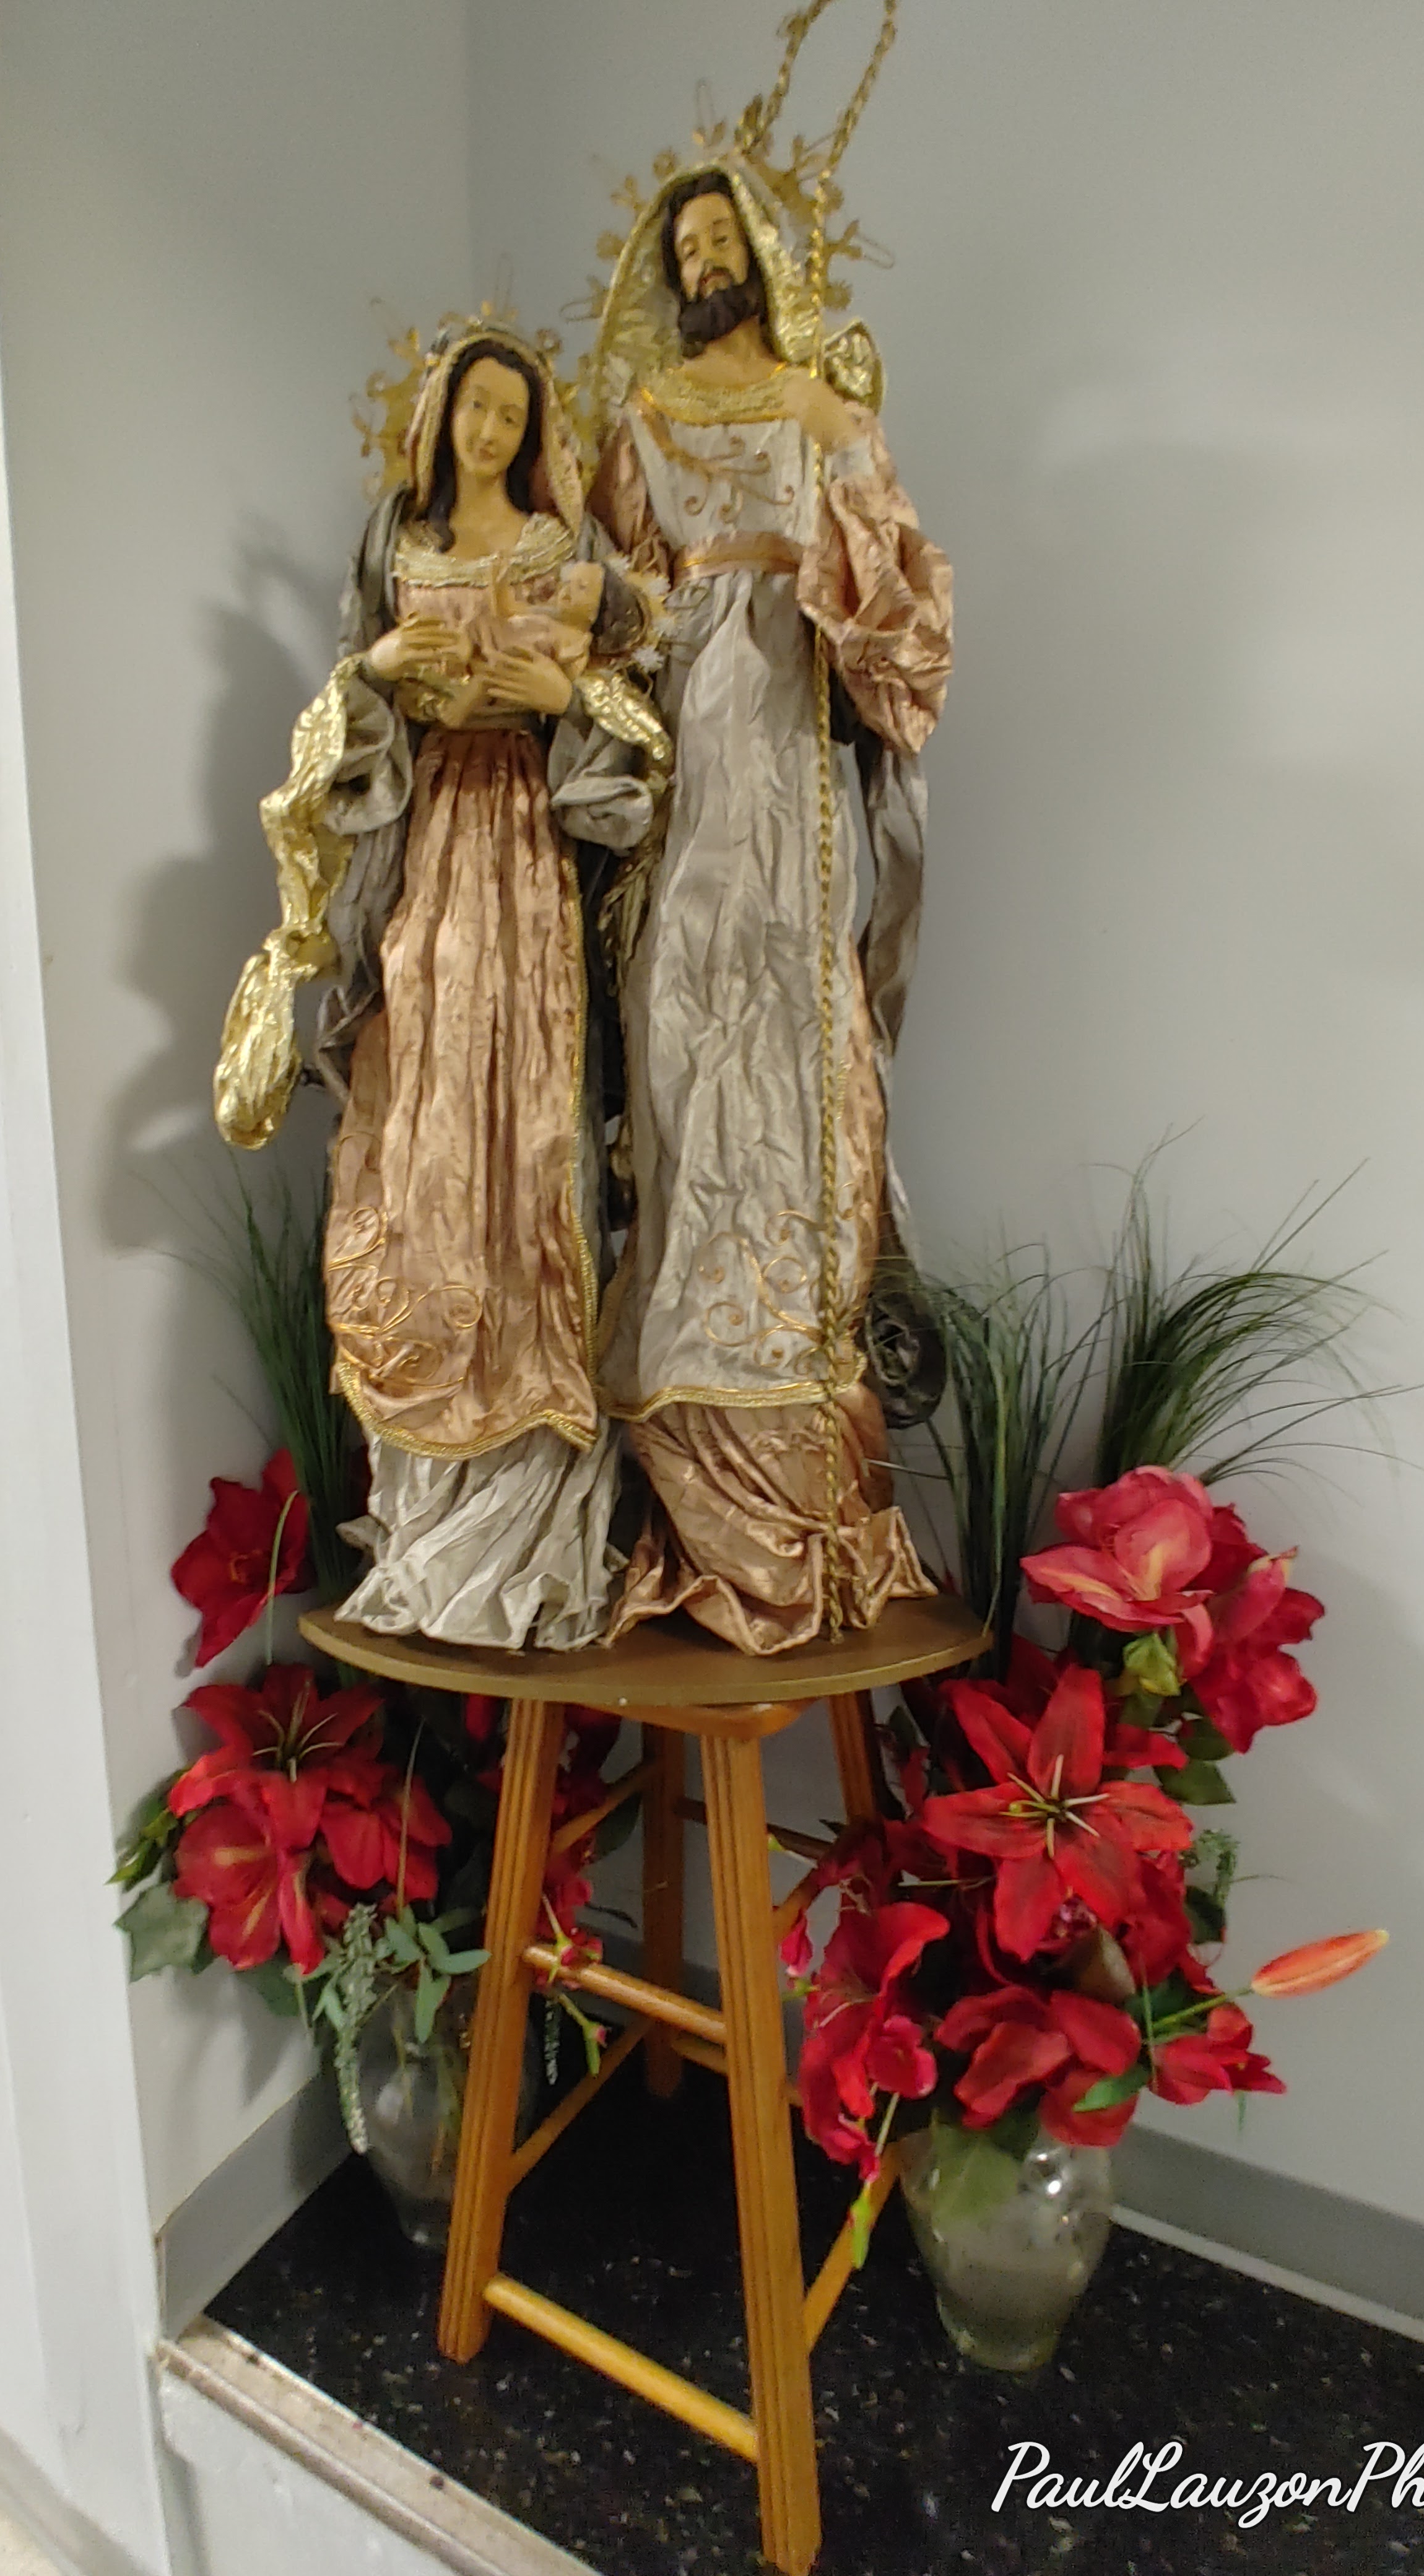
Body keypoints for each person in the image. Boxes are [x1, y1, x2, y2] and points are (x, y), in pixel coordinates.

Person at [216, 319, 664, 1648]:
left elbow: (634, 714)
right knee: (417, 1139)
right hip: (424, 852)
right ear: (439, 418)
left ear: (535, 433)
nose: (490, 430)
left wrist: (559, 694)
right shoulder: (395, 546)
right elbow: (347, 708)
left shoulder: (564, 549)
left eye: (512, 414)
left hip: (527, 847)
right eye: (474, 406)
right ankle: (427, 1521)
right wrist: (381, 676)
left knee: (529, 1136)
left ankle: (533, 1518)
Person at [583, 160, 953, 1652]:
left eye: (721, 237)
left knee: (799, 1054)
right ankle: (687, 1389)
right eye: (684, 247)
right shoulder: (645, 423)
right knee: (680, 1036)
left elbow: (897, 603)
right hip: (686, 745)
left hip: (790, 739)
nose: (704, 261)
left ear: (760, 252)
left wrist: (843, 470)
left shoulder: (816, 408)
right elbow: (611, 594)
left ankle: (794, 1410)